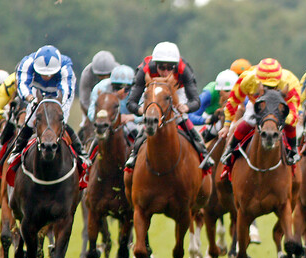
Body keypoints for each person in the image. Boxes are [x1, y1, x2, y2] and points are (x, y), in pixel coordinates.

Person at [124, 41, 214, 171]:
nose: (165, 72)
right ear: (155, 65)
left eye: (170, 68)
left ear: (176, 66)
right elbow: (131, 102)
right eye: (161, 67)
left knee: (181, 118)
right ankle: (134, 154)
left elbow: (195, 100)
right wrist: (141, 110)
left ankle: (203, 152)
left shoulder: (184, 70)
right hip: (153, 91)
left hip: (176, 90)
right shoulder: (145, 70)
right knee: (149, 121)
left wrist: (186, 107)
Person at [8, 45, 89, 167]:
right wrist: (30, 98)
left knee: (59, 120)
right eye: (42, 73)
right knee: (30, 119)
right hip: (37, 92)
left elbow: (66, 91)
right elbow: (23, 85)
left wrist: (56, 104)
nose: (46, 76)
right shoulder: (27, 63)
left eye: (50, 73)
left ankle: (81, 152)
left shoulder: (66, 66)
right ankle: (17, 149)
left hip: (59, 94)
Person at [218, 58, 302, 165]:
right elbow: (233, 101)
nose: (269, 90)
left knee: (290, 123)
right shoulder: (247, 79)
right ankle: (230, 149)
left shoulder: (291, 82)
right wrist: (226, 125)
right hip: (258, 105)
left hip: (279, 107)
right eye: (265, 86)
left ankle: (294, 151)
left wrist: (284, 120)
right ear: (257, 80)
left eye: (272, 86)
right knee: (249, 120)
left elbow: (294, 110)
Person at [87, 65, 139, 134]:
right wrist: (103, 118)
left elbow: (145, 113)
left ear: (132, 86)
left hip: (129, 124)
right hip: (104, 123)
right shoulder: (100, 88)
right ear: (111, 84)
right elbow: (91, 112)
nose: (122, 92)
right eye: (117, 88)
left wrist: (132, 117)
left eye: (126, 89)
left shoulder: (138, 90)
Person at [79, 50, 118, 124]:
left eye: (108, 75)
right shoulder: (86, 74)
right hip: (93, 107)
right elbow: (84, 101)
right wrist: (96, 116)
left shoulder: (118, 71)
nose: (105, 78)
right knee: (85, 127)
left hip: (112, 110)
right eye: (101, 76)